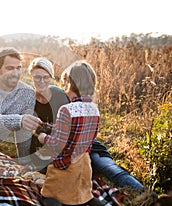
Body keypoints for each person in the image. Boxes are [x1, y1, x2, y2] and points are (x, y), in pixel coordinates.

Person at [29, 57, 144, 190]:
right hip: (76, 152)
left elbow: (63, 137)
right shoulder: (28, 100)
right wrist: (44, 128)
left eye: (46, 77)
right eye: (37, 77)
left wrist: (43, 136)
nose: (41, 81)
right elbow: (66, 129)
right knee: (102, 168)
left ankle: (144, 193)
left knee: (108, 167)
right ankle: (142, 192)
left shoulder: (62, 97)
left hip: (83, 148)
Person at [35, 60, 123, 206]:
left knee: (47, 197)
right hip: (83, 165)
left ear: (70, 83)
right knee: (84, 197)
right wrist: (47, 127)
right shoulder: (94, 109)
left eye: (64, 84)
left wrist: (42, 137)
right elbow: (76, 134)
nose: (63, 88)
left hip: (65, 166)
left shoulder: (66, 109)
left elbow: (57, 144)